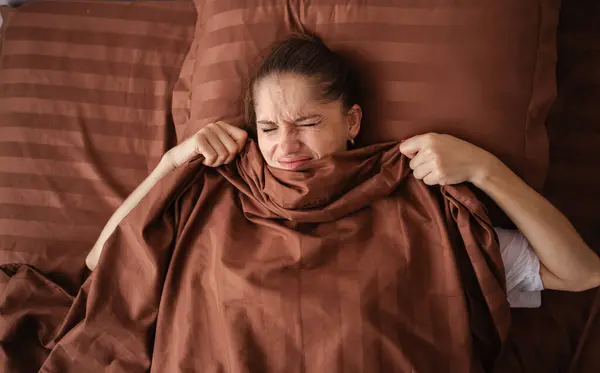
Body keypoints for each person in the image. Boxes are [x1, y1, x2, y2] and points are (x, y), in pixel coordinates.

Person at [85, 33, 600, 308]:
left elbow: (582, 274)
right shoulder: (217, 194)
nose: (286, 145)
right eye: (267, 127)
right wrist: (172, 162)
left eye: (307, 122)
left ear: (352, 121)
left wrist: (486, 171)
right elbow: (102, 262)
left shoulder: (415, 204)